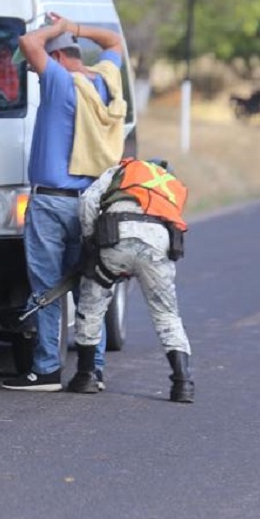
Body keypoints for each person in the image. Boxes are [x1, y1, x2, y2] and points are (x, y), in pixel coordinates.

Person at [2, 13, 126, 392]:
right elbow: (115, 42)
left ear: (55, 59)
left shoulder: (59, 83)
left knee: (47, 287)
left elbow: (28, 44)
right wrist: (75, 27)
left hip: (53, 203)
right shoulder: (105, 81)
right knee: (90, 287)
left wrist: (55, 28)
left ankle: (47, 369)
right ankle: (93, 369)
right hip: (92, 203)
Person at [68, 158, 194, 403]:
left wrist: (91, 238)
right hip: (157, 246)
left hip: (117, 237)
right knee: (166, 314)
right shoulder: (171, 185)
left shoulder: (121, 170)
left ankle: (86, 376)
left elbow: (88, 201)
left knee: (92, 305)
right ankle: (183, 384)